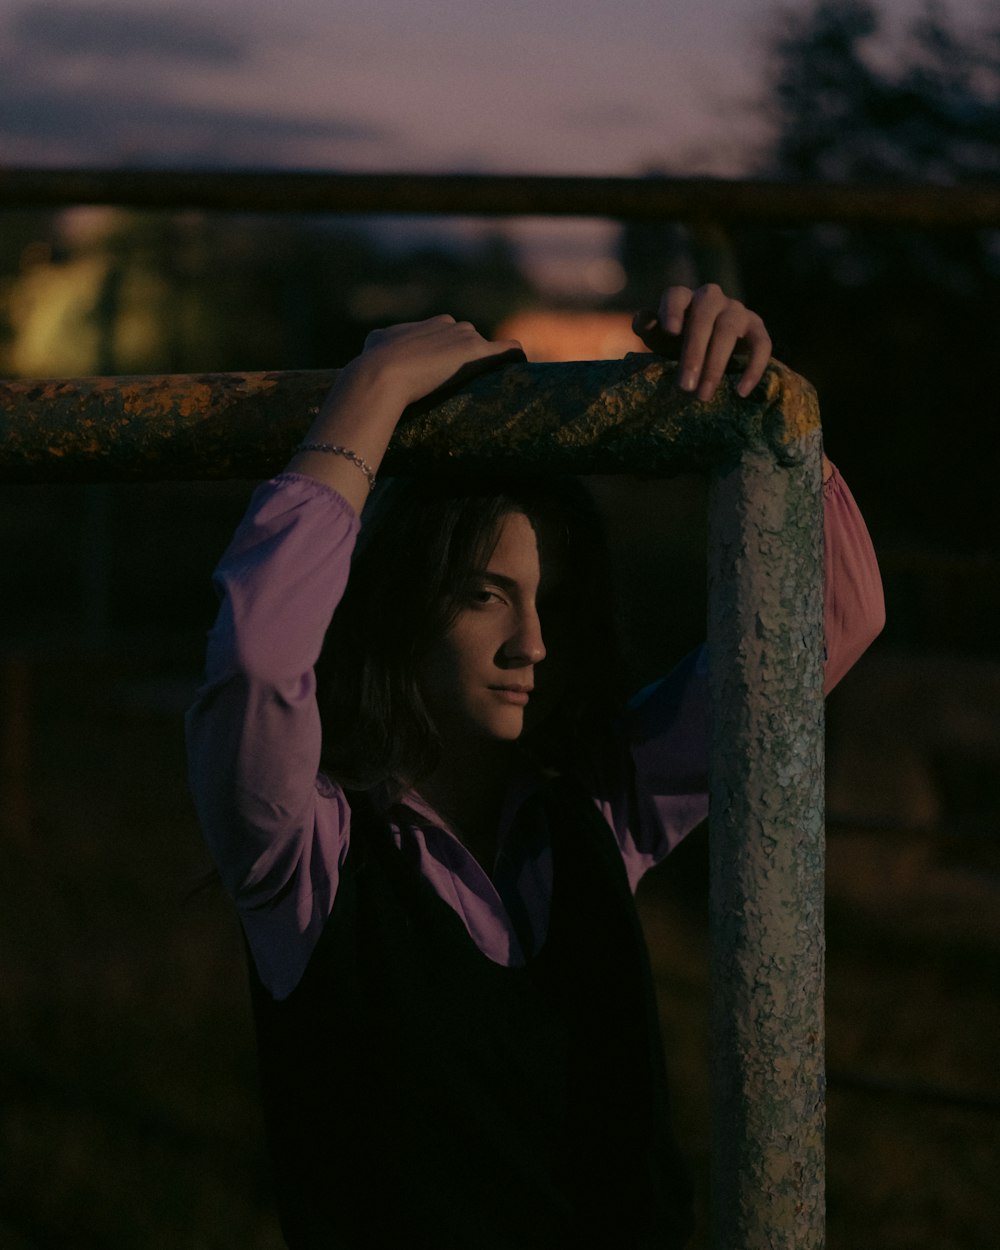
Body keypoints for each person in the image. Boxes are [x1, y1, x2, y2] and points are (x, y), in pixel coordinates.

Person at [186, 283, 884, 1249]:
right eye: (487, 595)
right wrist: (371, 394)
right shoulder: (305, 857)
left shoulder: (602, 809)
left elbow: (831, 618)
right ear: (406, 602)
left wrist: (753, 407)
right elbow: (261, 663)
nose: (534, 644)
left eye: (552, 598)